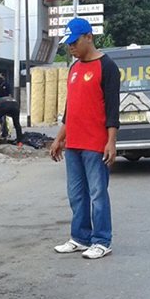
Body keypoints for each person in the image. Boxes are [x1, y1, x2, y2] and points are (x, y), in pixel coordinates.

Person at [50, 17, 120, 260]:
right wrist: (60, 138)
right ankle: (80, 237)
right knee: (76, 194)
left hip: (95, 144)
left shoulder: (107, 67)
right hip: (74, 144)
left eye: (74, 42)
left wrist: (111, 141)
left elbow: (112, 109)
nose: (71, 47)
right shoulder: (74, 68)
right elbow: (71, 108)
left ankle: (102, 240)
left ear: (88, 37)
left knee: (97, 193)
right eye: (68, 44)